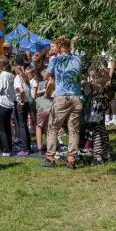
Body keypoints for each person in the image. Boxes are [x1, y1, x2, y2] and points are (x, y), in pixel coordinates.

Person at [41, 35, 83, 169]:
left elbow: (46, 76)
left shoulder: (55, 59)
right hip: (77, 97)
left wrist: (48, 66)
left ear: (59, 47)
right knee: (73, 129)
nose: (53, 49)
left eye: (55, 46)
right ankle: (71, 160)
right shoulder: (77, 58)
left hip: (62, 97)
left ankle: (50, 158)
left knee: (53, 128)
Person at [0, 55, 16, 157]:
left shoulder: (2, 76)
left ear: (2, 65)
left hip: (1, 103)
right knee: (7, 127)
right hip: (9, 104)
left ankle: (6, 150)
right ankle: (9, 148)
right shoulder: (10, 75)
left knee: (1, 128)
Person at [12, 65, 33, 156]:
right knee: (24, 125)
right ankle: (28, 147)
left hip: (21, 103)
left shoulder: (17, 78)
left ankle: (24, 149)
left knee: (21, 126)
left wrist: (21, 100)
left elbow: (21, 90)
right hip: (27, 102)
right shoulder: (25, 78)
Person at [34, 70, 54, 155]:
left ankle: (39, 148)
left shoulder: (48, 82)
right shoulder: (55, 82)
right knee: (47, 127)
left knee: (39, 126)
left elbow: (43, 94)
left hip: (43, 104)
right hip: (51, 104)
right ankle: (49, 148)